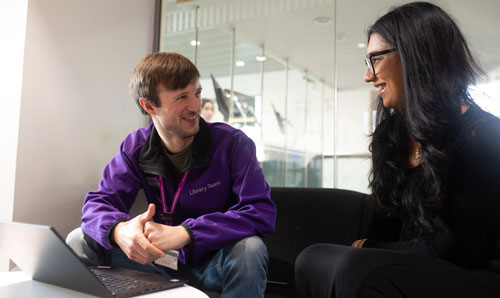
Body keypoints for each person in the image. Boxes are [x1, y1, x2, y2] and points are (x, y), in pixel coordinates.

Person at [295, 2, 500, 298]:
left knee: (357, 269)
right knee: (311, 259)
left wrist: (368, 250)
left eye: (375, 59)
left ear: (415, 56)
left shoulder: (484, 137)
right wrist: (371, 249)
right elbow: (385, 228)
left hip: (474, 275)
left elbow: (453, 252)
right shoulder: (391, 136)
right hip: (410, 266)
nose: (368, 76)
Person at [66, 52, 276, 298]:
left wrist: (186, 232)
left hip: (213, 263)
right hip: (156, 261)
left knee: (250, 249)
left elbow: (261, 212)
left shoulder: (232, 144)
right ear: (149, 106)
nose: (195, 106)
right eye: (182, 97)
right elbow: (97, 204)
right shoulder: (135, 147)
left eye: (197, 93)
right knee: (80, 238)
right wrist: (119, 230)